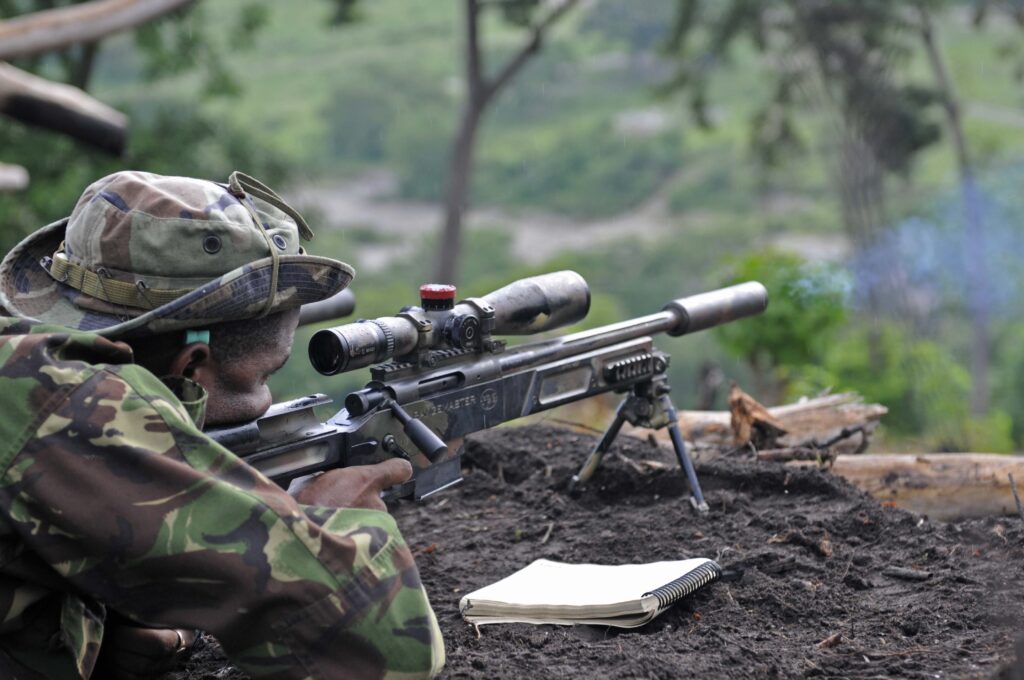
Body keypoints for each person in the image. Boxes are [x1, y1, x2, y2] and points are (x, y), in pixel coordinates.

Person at [0, 170, 446, 679]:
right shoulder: (70, 403)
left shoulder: (24, 373)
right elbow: (390, 656)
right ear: (191, 367)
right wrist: (318, 531)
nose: (268, 400)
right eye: (261, 377)